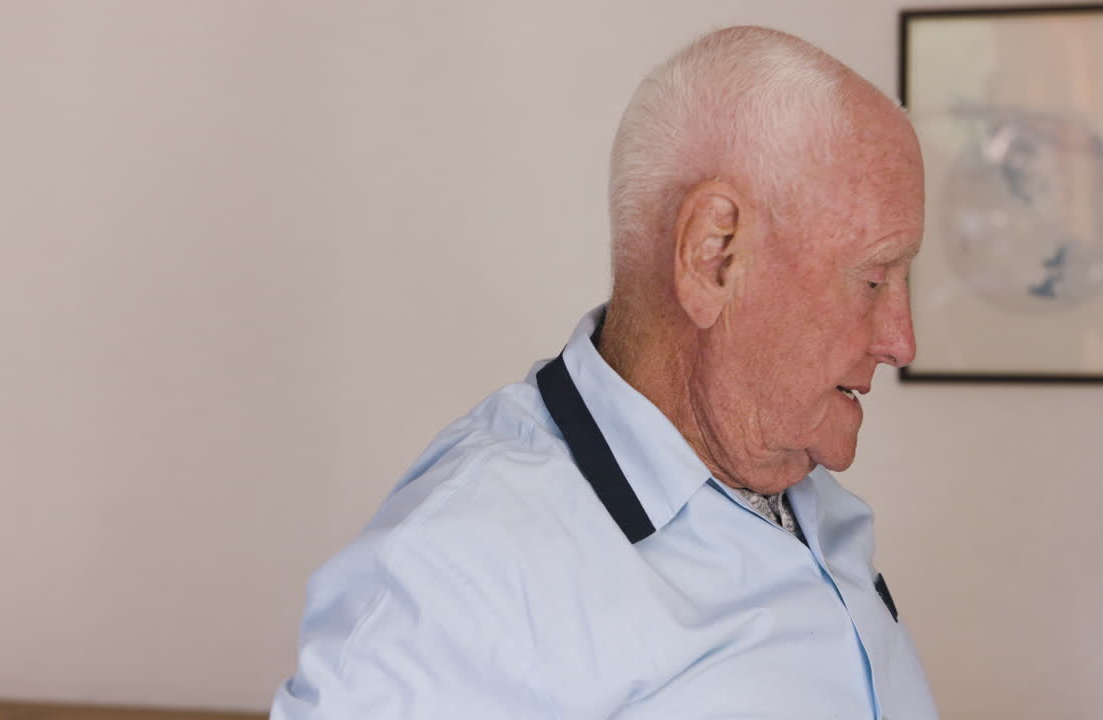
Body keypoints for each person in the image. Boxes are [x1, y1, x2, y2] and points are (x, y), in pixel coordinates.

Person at [272, 25, 937, 719]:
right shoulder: (460, 573)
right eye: (873, 280)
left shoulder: (805, 497)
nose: (901, 341)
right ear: (715, 257)